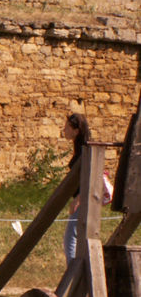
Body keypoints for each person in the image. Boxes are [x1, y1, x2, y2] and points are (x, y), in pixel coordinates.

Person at [62, 112, 91, 266]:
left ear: (76, 130)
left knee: (70, 241)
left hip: (84, 200)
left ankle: (72, 278)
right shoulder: (79, 149)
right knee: (74, 241)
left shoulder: (85, 150)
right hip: (80, 200)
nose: (64, 130)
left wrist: (78, 200)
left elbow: (90, 177)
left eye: (67, 127)